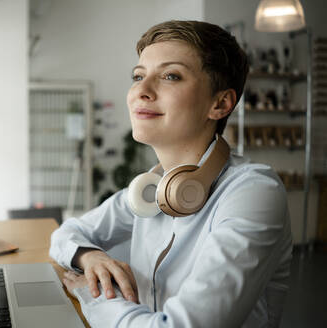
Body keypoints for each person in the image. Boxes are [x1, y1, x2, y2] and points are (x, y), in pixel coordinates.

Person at [50, 20, 292, 327]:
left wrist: (94, 296)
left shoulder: (254, 192)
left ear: (220, 103)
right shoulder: (152, 190)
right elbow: (64, 235)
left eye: (170, 75)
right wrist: (90, 257)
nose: (142, 90)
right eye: (138, 76)